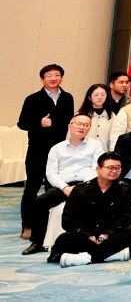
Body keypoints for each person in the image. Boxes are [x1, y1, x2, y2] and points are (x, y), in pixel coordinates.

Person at [22, 115, 103, 255]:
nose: (82, 127)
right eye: (79, 124)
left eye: (86, 125)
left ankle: (95, 238)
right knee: (39, 202)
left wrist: (80, 187)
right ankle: (38, 241)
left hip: (88, 185)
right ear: (70, 125)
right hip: (64, 185)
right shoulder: (57, 148)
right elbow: (51, 173)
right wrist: (64, 187)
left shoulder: (96, 145)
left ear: (89, 128)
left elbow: (96, 169)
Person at [43, 152, 131, 266]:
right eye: (110, 168)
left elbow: (125, 219)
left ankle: (85, 258)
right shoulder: (80, 189)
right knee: (64, 239)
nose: (114, 171)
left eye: (118, 168)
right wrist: (89, 236)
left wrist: (105, 234)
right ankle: (111, 255)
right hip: (85, 237)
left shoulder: (125, 189)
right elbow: (68, 220)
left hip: (109, 236)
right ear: (98, 169)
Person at [19, 64, 77, 241]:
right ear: (42, 79)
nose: (53, 78)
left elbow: (68, 122)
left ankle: (50, 227)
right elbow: (22, 123)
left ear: (61, 78)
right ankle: (28, 226)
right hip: (37, 150)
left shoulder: (67, 98)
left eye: (56, 75)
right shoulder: (33, 99)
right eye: (49, 75)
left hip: (59, 151)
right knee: (32, 188)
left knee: (53, 189)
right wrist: (39, 123)